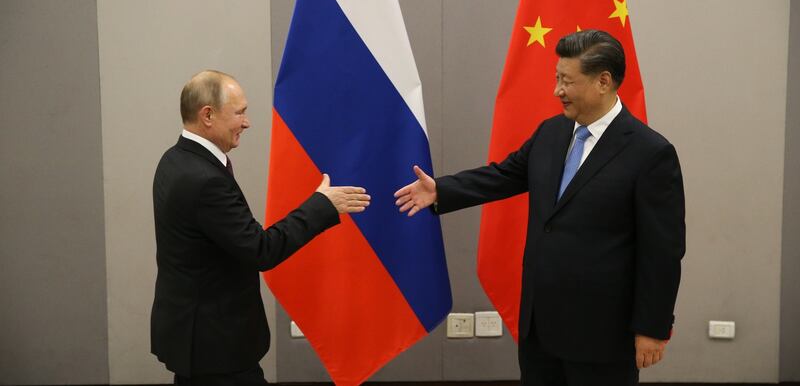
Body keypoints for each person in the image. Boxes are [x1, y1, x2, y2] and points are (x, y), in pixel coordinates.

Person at [395, 30, 685, 386]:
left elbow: (663, 252)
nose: (557, 91)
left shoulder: (650, 154)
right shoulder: (551, 133)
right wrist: (441, 190)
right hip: (540, 330)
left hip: (602, 335)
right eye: (556, 78)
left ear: (603, 82)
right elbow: (504, 175)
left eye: (567, 81)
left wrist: (652, 328)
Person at [151, 70, 370, 385]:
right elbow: (261, 249)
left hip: (195, 337)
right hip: (216, 347)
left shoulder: (173, 160)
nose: (247, 122)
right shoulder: (204, 179)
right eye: (239, 112)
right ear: (207, 115)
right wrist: (322, 205)